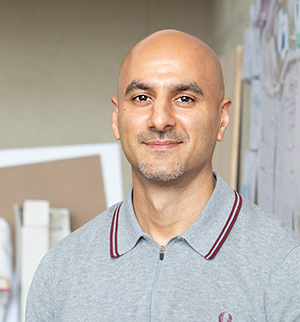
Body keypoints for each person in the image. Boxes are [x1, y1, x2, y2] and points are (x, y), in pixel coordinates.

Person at [26, 30, 300, 322]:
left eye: (184, 98)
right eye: (142, 97)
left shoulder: (282, 265)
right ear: (116, 119)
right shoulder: (60, 270)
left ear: (222, 119)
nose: (159, 120)